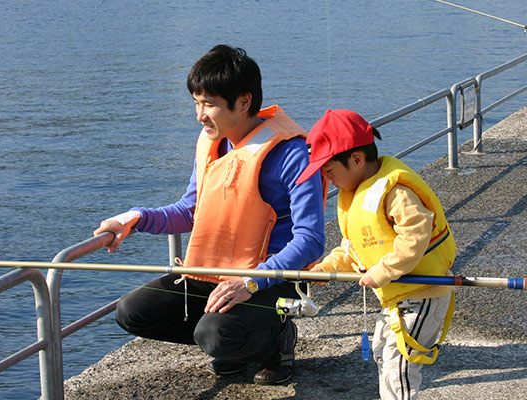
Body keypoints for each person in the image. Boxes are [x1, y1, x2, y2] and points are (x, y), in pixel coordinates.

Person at [93, 44, 326, 385]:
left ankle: (277, 338)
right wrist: (134, 218)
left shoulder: (292, 153)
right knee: (132, 312)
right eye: (196, 103)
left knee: (214, 336)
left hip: (270, 281)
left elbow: (311, 239)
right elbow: (190, 210)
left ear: (244, 102)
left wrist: (252, 281)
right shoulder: (211, 142)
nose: (200, 115)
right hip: (212, 273)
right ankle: (236, 342)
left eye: (210, 104)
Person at [296, 109, 457, 400]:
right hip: (396, 296)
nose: (327, 179)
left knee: (400, 363)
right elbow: (353, 249)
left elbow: (416, 235)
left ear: (357, 159)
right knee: (384, 353)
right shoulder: (356, 193)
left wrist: (383, 272)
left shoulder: (395, 193)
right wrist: (326, 268)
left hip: (424, 293)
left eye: (329, 171)